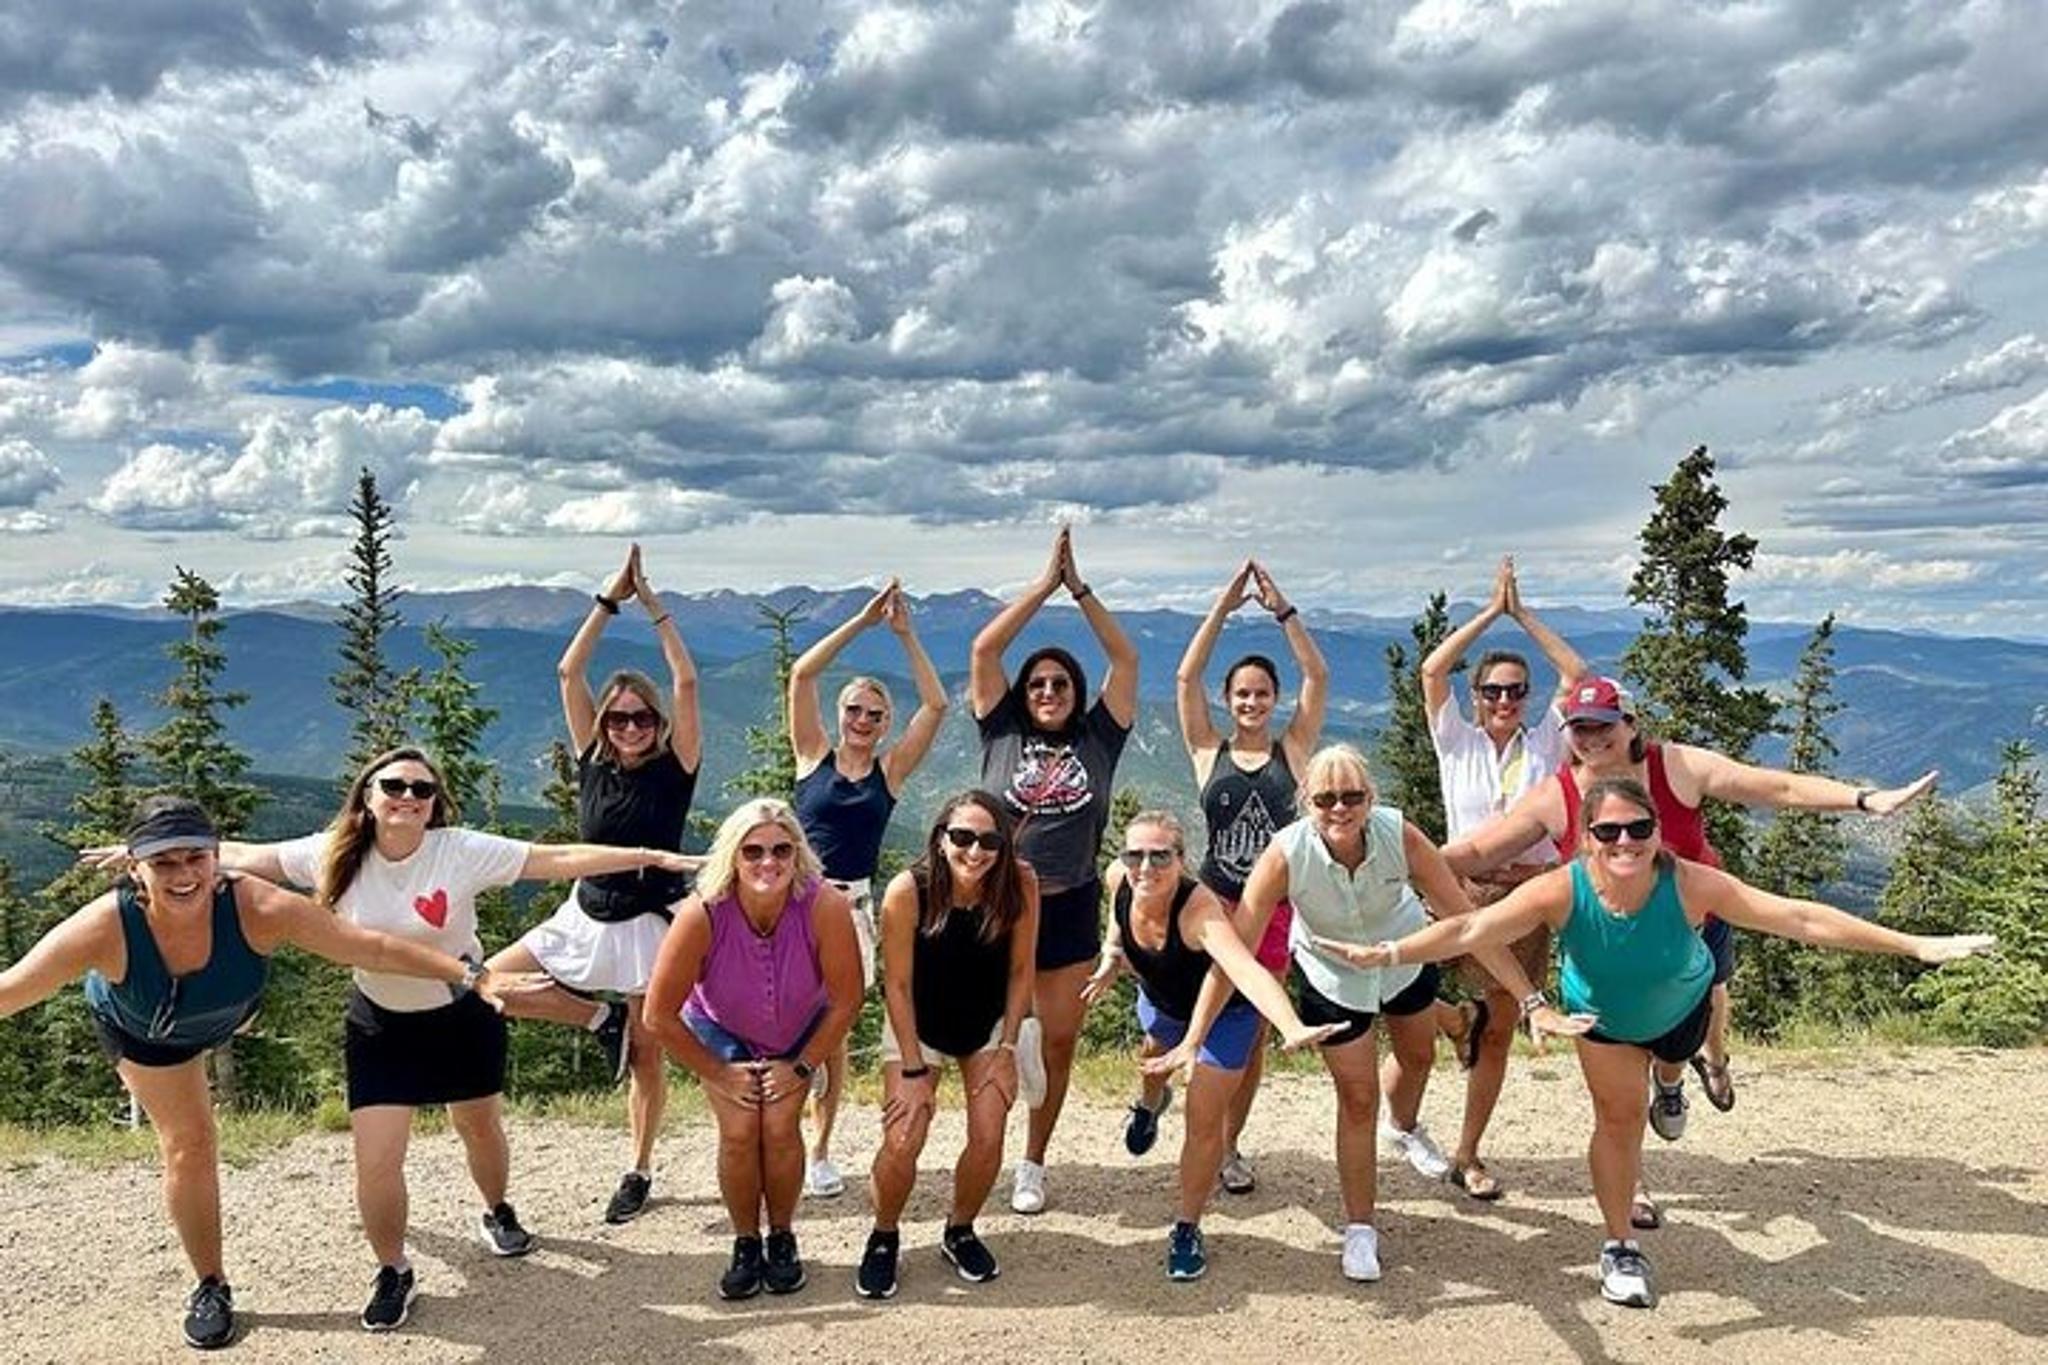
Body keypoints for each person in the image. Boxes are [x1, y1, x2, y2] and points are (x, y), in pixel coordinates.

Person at [1335, 775, 1992, 1308]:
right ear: (1586, 839)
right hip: (1605, 1021)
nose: (1625, 840)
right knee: (1619, 1121)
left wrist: (1912, 946)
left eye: (1639, 827)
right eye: (1608, 830)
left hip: (1685, 1006)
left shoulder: (1690, 882)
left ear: (1656, 832)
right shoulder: (1561, 888)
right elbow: (1468, 927)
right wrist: (1388, 950)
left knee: (1671, 1066)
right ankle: (1619, 1244)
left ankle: (1674, 1081)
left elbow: (1797, 916)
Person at [208, 747, 694, 1332]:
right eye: (395, 786)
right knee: (377, 1161)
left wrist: (651, 856)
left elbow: (559, 857)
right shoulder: (332, 851)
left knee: (480, 1127)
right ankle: (393, 1269)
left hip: (462, 1012)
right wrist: (157, 856)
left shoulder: (458, 851)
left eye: (422, 790)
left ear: (435, 803)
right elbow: (244, 858)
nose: (408, 797)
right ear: (368, 795)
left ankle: (495, 1209)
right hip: (379, 1023)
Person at [19, 796, 513, 1351]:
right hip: (147, 1033)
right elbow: (11, 990)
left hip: (225, 1010)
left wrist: (467, 973)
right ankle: (210, 1285)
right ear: (134, 867)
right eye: (164, 863)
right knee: (190, 1143)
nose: (183, 876)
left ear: (218, 859)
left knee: (202, 1113)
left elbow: (367, 946)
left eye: (195, 859)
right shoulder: (104, 928)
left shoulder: (257, 906)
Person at [1444, 674, 1937, 1223]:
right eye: (1579, 728)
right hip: (1610, 951)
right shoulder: (1555, 795)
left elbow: (1775, 789)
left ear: (1630, 724)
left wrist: (1865, 800)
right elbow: (1480, 849)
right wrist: (1404, 858)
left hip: (1698, 925)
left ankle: (1685, 1073)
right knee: (1618, 1094)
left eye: (1603, 725)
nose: (1590, 738)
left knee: (1696, 1026)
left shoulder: (1675, 766)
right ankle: (1634, 1186)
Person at [1235, 744, 1553, 1282]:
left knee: (1417, 1056)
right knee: (1357, 1099)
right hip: (1331, 973)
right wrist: (1199, 1027)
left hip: (1404, 954)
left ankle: (1404, 1127)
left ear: (1371, 798)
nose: (1340, 809)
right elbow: (1236, 948)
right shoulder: (1285, 854)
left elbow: (1467, 920)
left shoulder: (1399, 835)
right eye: (1326, 798)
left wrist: (1529, 998)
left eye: (1352, 796)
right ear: (1306, 802)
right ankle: (1361, 1228)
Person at [487, 543, 702, 1225]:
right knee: (485, 982)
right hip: (586, 910)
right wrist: (611, 598)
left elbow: (689, 683)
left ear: (657, 723)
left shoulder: (677, 765)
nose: (630, 726)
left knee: (646, 1055)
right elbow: (568, 668)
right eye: (619, 717)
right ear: (604, 724)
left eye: (641, 717)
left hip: (652, 918)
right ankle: (594, 1016)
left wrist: (658, 606)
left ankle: (638, 1167)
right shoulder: (592, 759)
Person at [1080, 811, 1340, 1281]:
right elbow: (1120, 917)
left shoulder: (1200, 912)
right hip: (1163, 999)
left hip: (1229, 1016)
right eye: (1135, 853)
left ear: (1181, 860)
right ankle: (1148, 1105)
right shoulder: (1119, 876)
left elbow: (1245, 968)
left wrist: (1289, 1024)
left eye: (1160, 856)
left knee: (1204, 1122)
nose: (1145, 866)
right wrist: (1112, 955)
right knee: (1153, 1063)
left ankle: (1186, 1226)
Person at [970, 526, 1138, 1215]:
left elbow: (1124, 658)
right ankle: (985, 1144)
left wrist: (1082, 589)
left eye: (1059, 682)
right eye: (1037, 682)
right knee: (995, 1036)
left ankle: (1032, 1161)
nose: (1047, 690)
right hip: (998, 902)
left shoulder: (1100, 737)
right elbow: (985, 649)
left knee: (1059, 1039)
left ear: (1075, 691)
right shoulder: (999, 731)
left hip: (1068, 905)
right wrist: (1043, 585)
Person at [641, 799, 864, 1301]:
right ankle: (746, 1242)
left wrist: (803, 1064)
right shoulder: (703, 913)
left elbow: (849, 999)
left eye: (782, 849)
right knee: (742, 1131)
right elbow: (658, 1014)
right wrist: (718, 1071)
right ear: (733, 857)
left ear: (798, 853)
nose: (769, 862)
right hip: (721, 1028)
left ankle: (782, 1237)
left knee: (780, 1127)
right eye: (754, 851)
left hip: (799, 1027)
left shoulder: (824, 904)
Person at [1419, 555, 1590, 1201]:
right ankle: (1448, 1023)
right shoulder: (1455, 739)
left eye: (1516, 690)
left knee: (1499, 1026)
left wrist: (1525, 615)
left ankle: (1468, 1152)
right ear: (1476, 697)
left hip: (1524, 896)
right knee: (1394, 986)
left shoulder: (1547, 741)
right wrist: (1490, 612)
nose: (1504, 700)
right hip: (1456, 889)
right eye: (1492, 690)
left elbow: (1576, 674)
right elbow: (1434, 668)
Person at [787, 577, 948, 1199]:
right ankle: (787, 1131)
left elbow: (935, 706)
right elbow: (802, 675)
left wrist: (906, 638)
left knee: (836, 1030)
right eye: (854, 710)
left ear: (885, 726)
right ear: (840, 714)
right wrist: (859, 620)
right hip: (796, 900)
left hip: (852, 906)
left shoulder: (890, 770)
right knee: (788, 1020)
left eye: (875, 715)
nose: (862, 720)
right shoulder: (813, 756)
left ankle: (820, 1149)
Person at [1174, 558, 1329, 1196]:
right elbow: (1186, 674)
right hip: (1211, 902)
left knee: (1251, 1035)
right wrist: (1223, 607)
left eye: (1262, 693)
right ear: (1229, 699)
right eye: (1241, 693)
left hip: (1271, 910)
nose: (1251, 702)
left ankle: (1229, 1146)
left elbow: (1317, 674)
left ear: (1274, 700)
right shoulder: (1206, 749)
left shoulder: (1294, 750)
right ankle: (1170, 1103)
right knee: (1188, 1017)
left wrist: (1283, 610)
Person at [856, 792, 1038, 1299]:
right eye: (961, 837)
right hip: (919, 1019)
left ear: (1003, 847)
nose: (974, 852)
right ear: (940, 839)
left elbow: (1022, 970)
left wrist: (1005, 1048)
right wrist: (913, 1072)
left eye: (988, 841)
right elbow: (897, 985)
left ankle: (960, 1230)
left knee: (989, 1133)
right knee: (903, 1135)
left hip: (986, 1024)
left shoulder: (1019, 883)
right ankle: (883, 1234)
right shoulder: (908, 890)